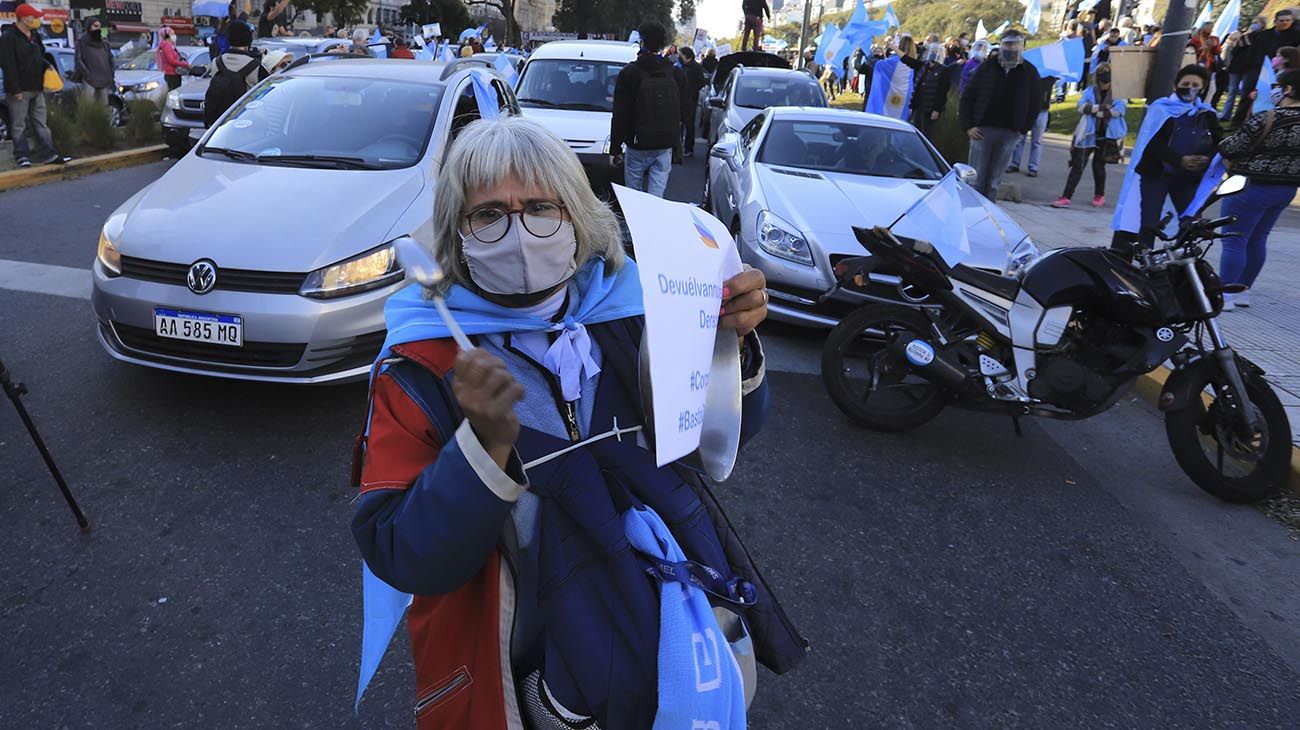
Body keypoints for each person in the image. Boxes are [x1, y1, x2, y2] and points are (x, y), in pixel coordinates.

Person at [351, 114, 803, 729]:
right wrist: (480, 451)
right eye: (489, 214)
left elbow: (716, 439)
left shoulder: (635, 312)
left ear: (577, 217)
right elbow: (400, 551)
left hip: (666, 630)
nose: (519, 233)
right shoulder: (420, 367)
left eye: (541, 206)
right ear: (458, 233)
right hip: (514, 673)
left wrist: (731, 348)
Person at [1112, 65, 1223, 251]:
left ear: (1202, 89)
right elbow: (1152, 142)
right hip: (1156, 174)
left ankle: (1182, 259)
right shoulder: (1161, 109)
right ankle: (1144, 259)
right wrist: (1179, 159)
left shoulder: (1207, 114)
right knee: (1150, 220)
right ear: (1175, 85)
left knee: (1189, 219)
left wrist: (1206, 159)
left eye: (1195, 85)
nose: (1190, 88)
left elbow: (1218, 141)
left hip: (1187, 178)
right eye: (1185, 83)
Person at [1215, 69, 1300, 310]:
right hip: (1285, 190)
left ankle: (1226, 294)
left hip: (1249, 186)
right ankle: (1242, 290)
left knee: (1234, 240)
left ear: (1288, 89)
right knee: (1258, 238)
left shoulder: (1269, 117)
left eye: (1278, 85)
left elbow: (1231, 145)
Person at [959, 30, 1042, 200]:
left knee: (994, 181)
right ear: (1001, 45)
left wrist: (1023, 128)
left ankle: (989, 216)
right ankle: (971, 213)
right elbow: (967, 97)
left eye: (1015, 44)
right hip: (982, 130)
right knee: (976, 178)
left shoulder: (1029, 72)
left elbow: (1035, 103)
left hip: (1010, 132)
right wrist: (968, 126)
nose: (1011, 48)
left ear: (1022, 46)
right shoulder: (986, 68)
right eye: (1008, 44)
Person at [610, 21, 685, 198]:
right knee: (656, 197)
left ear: (642, 42)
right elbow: (682, 107)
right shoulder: (675, 73)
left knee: (634, 197)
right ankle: (654, 222)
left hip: (638, 144)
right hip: (665, 143)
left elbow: (621, 113)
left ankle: (636, 224)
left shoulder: (630, 73)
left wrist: (615, 148)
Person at [0, 4, 69, 168]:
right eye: (34, 16)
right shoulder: (8, 37)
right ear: (24, 18)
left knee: (41, 123)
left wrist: (46, 65)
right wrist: (15, 89)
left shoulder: (35, 35)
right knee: (19, 124)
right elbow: (7, 64)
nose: (37, 19)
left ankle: (49, 154)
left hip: (37, 88)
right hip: (19, 90)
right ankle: (22, 156)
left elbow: (39, 56)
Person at [1052, 64, 1125, 208]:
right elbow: (1080, 107)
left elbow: (1119, 111)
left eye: (1108, 80)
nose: (1105, 84)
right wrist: (1104, 108)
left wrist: (1092, 109)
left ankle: (1099, 195)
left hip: (1107, 135)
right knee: (1078, 165)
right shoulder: (1089, 91)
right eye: (1102, 80)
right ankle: (1066, 196)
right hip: (1088, 134)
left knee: (1098, 166)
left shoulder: (1119, 93)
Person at [1233, 9, 1299, 126]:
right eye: (1281, 20)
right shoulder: (1263, 34)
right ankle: (1238, 121)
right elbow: (1248, 48)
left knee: (1270, 97)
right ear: (1275, 21)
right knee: (1247, 95)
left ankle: (1264, 124)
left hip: (1279, 71)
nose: (1284, 23)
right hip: (1255, 68)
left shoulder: (1295, 36)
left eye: (1288, 20)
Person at [204, 21, 267, 127]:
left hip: (219, 124)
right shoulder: (255, 66)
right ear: (248, 40)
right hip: (245, 123)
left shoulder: (216, 62)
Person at [1009, 74, 1057, 177]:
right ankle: (1015, 163)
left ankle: (1033, 167)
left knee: (1037, 141)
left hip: (1042, 110)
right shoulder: (1031, 73)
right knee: (1020, 137)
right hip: (1028, 109)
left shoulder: (1050, 76)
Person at [909, 42, 950, 139]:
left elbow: (942, 92)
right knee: (915, 132)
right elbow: (908, 60)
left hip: (930, 109)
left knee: (926, 135)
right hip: (918, 106)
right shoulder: (923, 66)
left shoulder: (943, 70)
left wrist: (937, 109)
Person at [74, 16, 114, 106]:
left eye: (99, 26)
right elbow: (78, 60)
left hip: (104, 80)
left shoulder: (105, 44)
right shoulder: (81, 42)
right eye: (95, 26)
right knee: (89, 108)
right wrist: (87, 74)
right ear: (89, 27)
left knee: (104, 108)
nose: (98, 29)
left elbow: (110, 59)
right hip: (89, 81)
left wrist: (110, 74)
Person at [678, 46, 706, 157]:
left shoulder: (696, 67)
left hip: (690, 100)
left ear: (686, 55)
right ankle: (677, 147)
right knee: (677, 124)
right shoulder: (680, 66)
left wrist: (691, 91)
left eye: (681, 54)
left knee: (689, 125)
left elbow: (701, 82)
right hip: (679, 99)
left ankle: (689, 148)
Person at [1219, 31, 1250, 119]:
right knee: (1232, 92)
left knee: (1237, 93)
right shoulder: (1230, 46)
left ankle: (1235, 115)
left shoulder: (1246, 46)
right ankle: (1226, 114)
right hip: (1235, 70)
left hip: (1241, 70)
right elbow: (1228, 58)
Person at [157, 26, 191, 92]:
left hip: (173, 73)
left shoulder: (170, 46)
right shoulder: (166, 46)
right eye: (172, 34)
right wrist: (185, 64)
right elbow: (171, 61)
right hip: (172, 74)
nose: (174, 36)